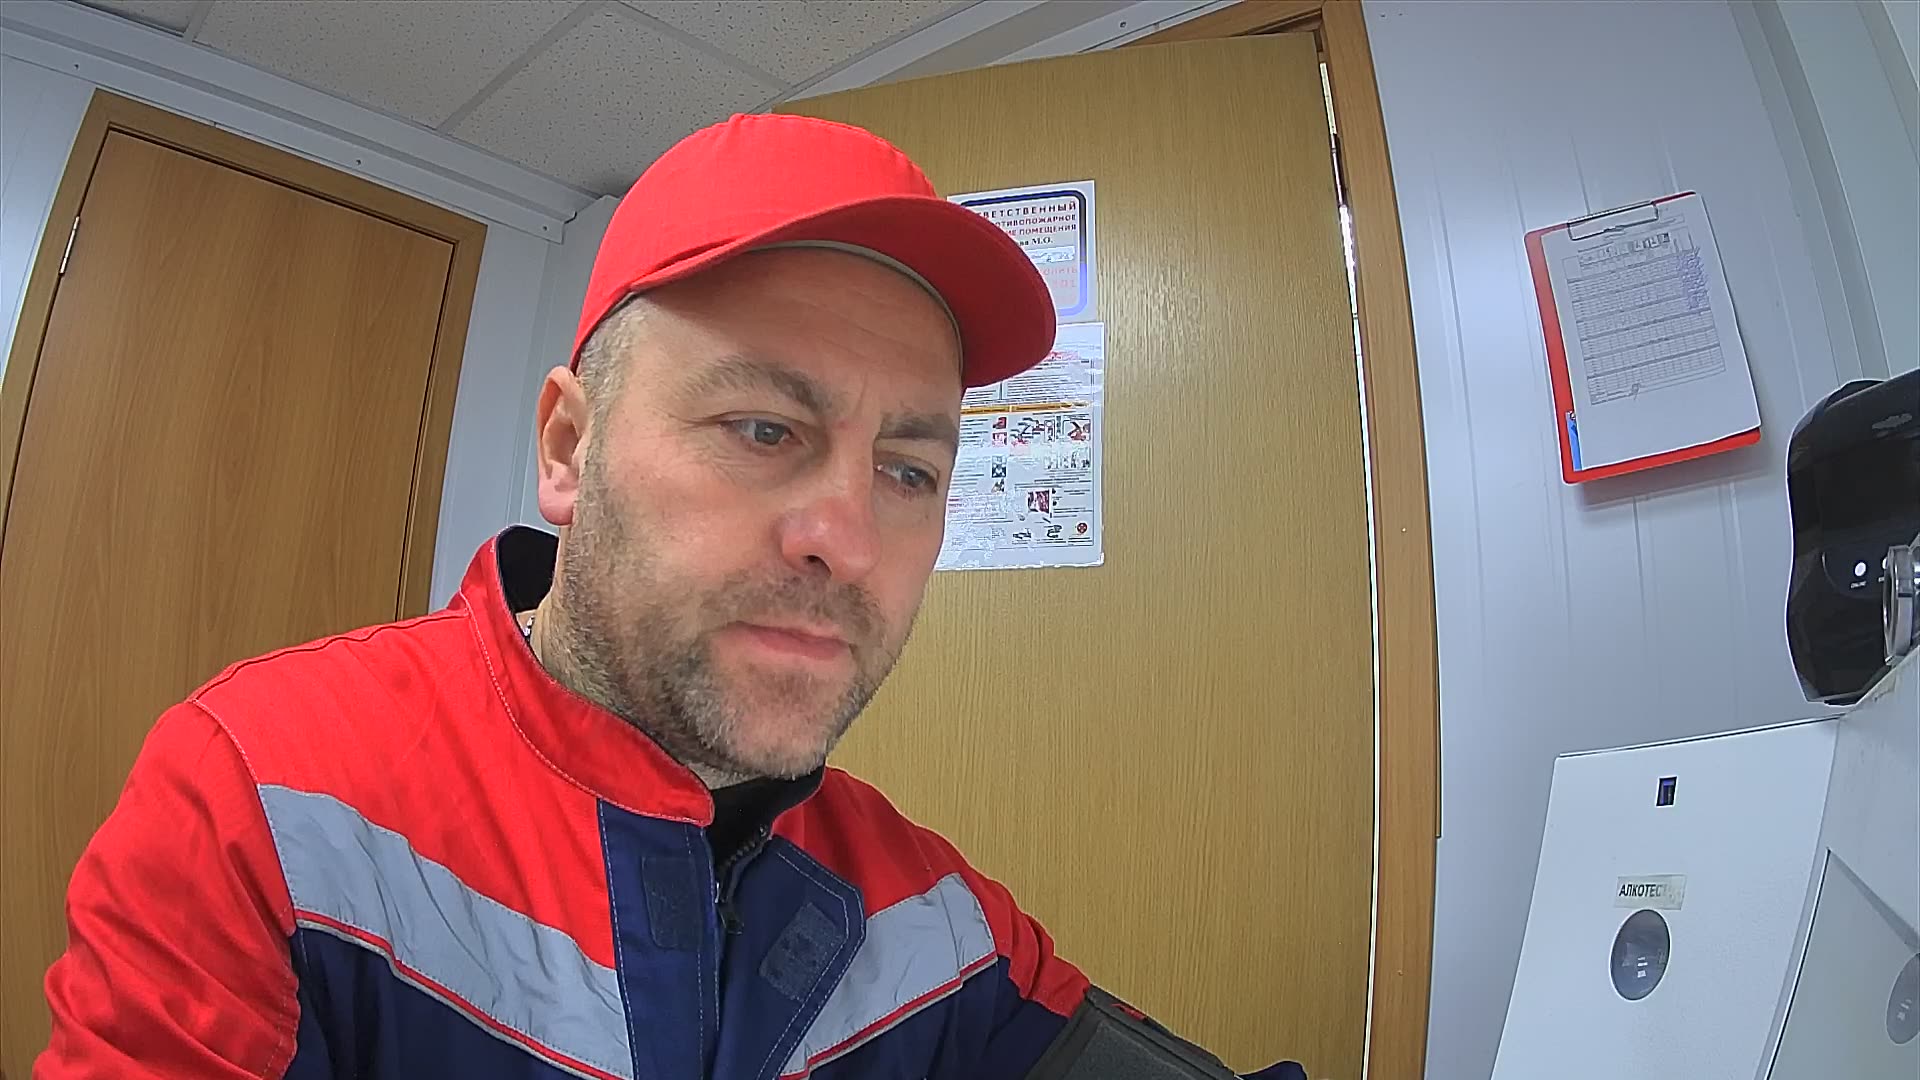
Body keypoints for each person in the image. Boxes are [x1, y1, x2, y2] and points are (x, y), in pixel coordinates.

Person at [39, 114, 1302, 1080]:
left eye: (908, 470)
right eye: (763, 428)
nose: (847, 539)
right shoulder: (269, 795)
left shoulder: (936, 918)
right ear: (568, 447)